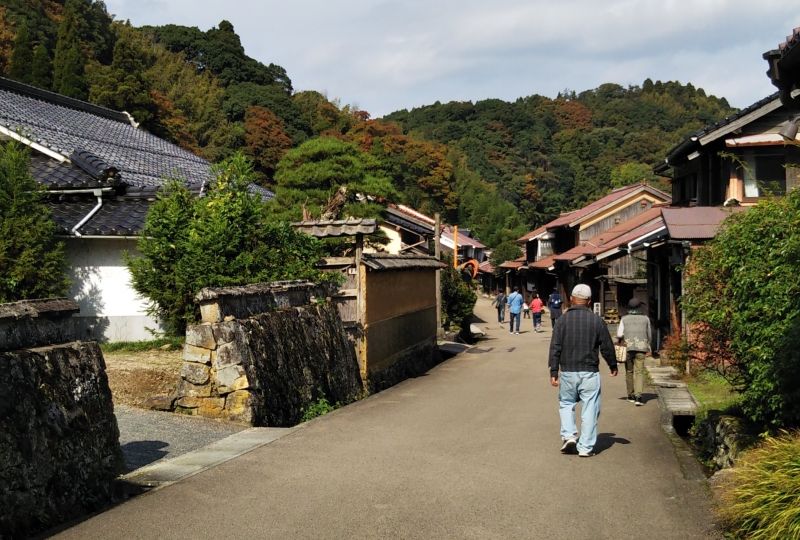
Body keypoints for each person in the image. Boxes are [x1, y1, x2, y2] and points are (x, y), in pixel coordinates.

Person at [548, 284, 618, 457]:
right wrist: (613, 365)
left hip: (568, 371)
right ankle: (585, 448)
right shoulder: (597, 321)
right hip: (589, 372)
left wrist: (554, 372)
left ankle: (569, 436)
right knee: (590, 408)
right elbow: (607, 346)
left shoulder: (562, 321)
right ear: (589, 301)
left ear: (571, 299)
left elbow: (555, 347)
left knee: (566, 404)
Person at [617, 298, 651, 406]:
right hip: (641, 347)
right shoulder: (646, 319)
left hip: (628, 347)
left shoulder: (624, 318)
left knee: (629, 371)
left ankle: (630, 395)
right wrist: (648, 345)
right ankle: (639, 396)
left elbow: (619, 334)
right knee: (639, 372)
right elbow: (649, 334)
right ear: (639, 307)